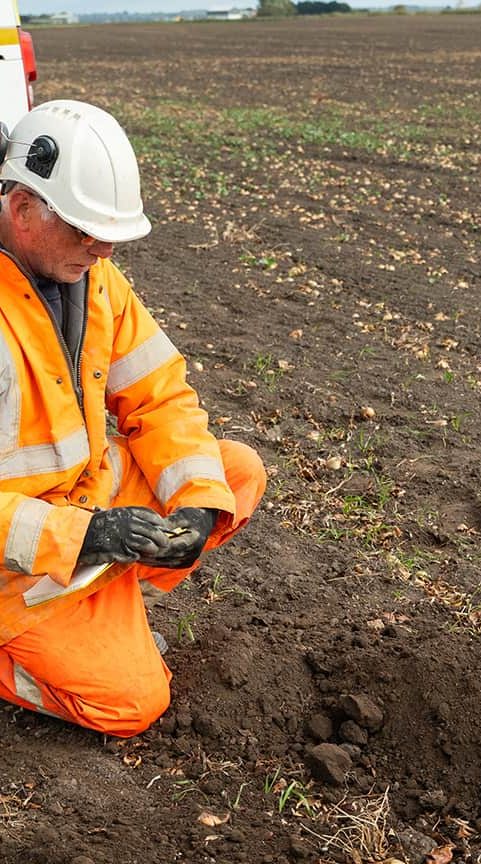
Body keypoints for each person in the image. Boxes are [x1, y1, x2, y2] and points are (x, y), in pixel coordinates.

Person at [0, 100, 266, 737]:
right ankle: (62, 624)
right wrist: (86, 538)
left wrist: (197, 508)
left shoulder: (93, 278)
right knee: (129, 704)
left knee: (233, 475)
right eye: (86, 230)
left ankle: (95, 601)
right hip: (17, 554)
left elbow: (159, 398)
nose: (105, 248)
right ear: (22, 210)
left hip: (83, 504)